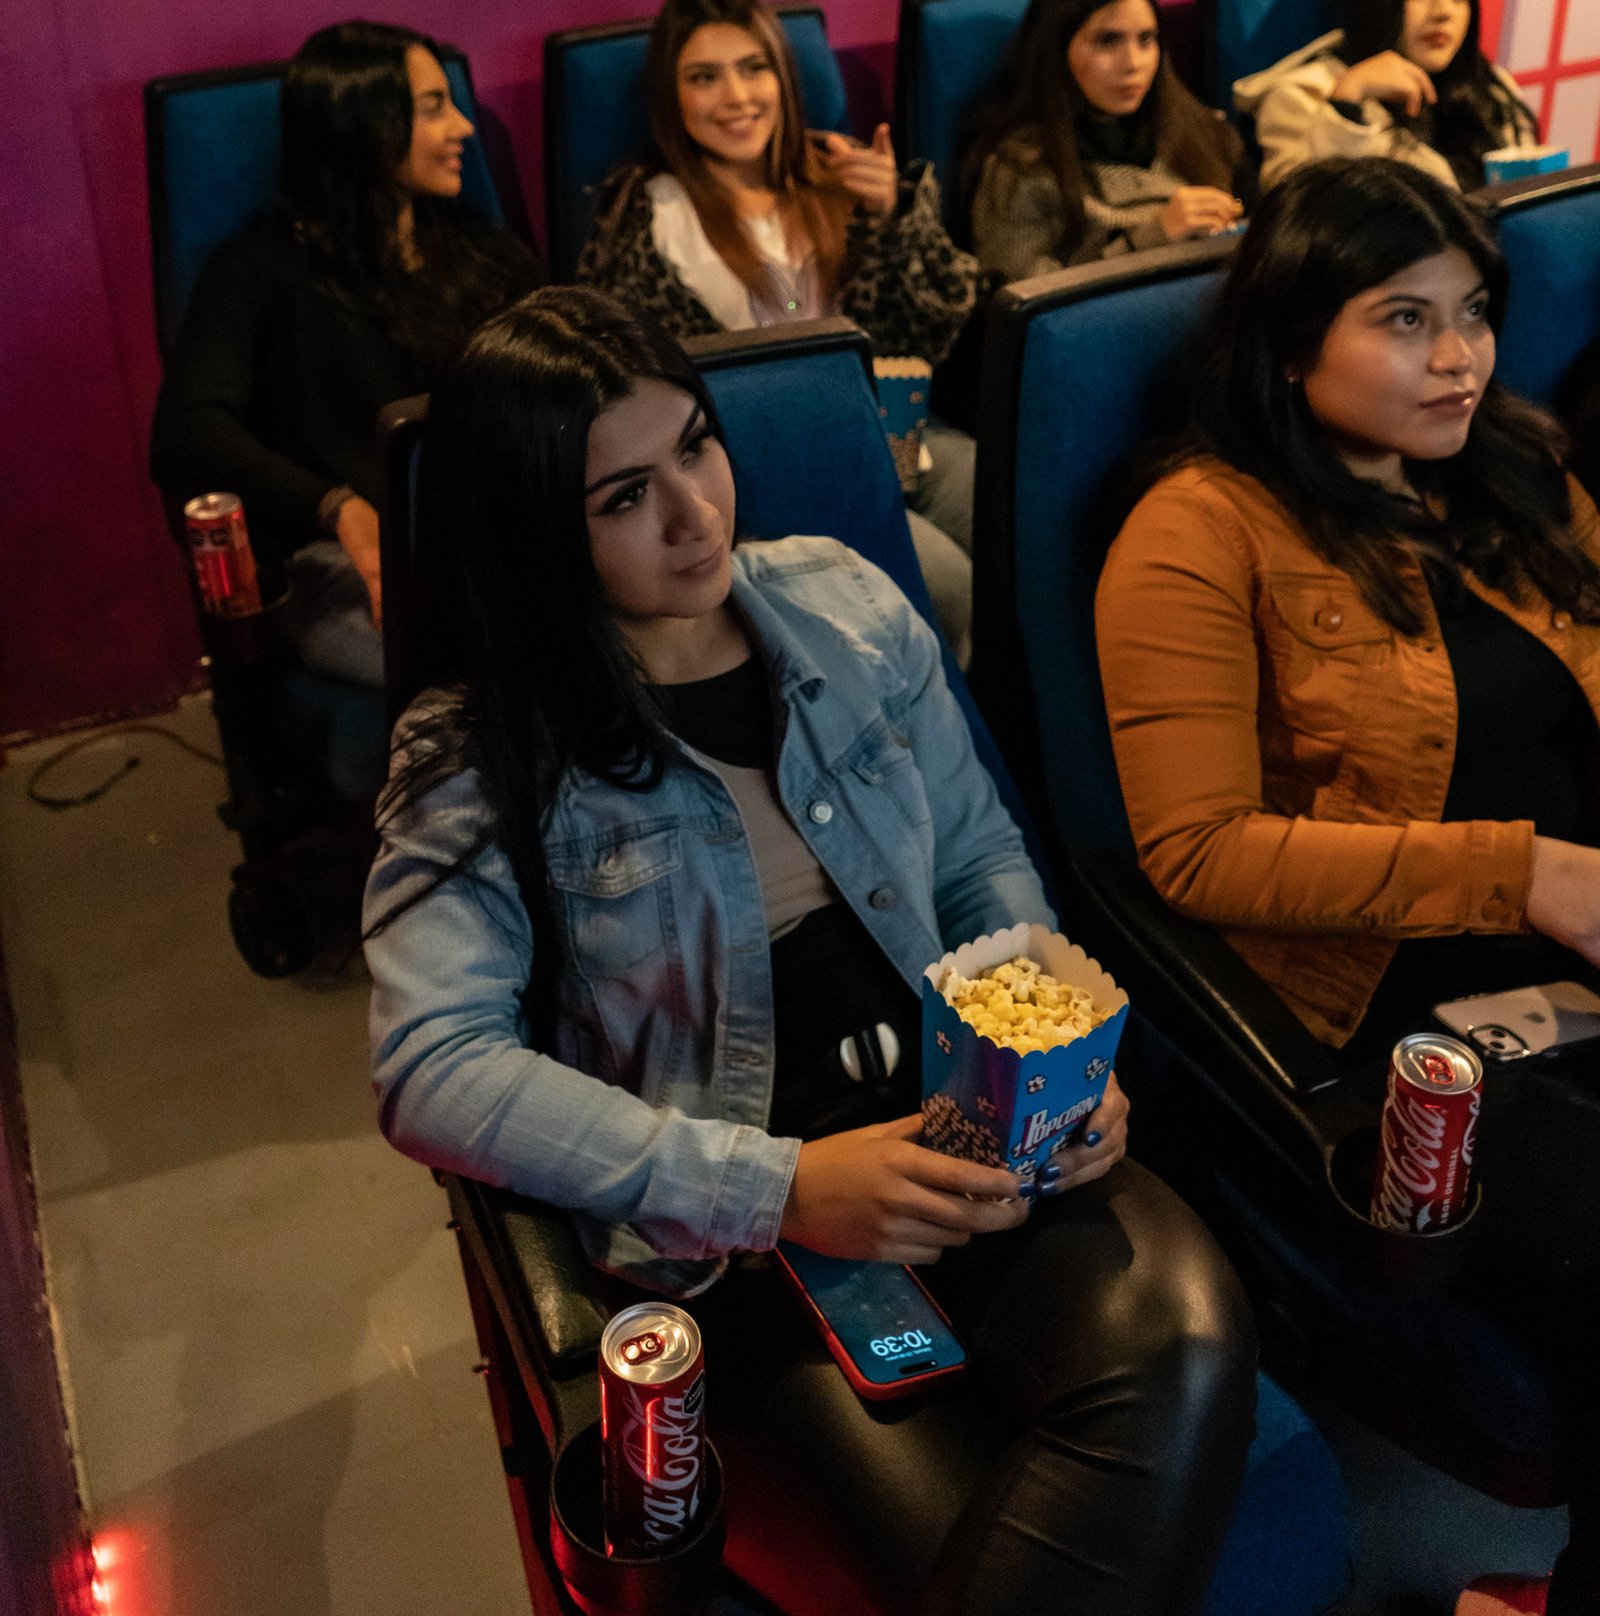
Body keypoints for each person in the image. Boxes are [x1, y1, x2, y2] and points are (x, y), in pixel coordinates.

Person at [363, 286, 1255, 1616]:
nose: (696, 514)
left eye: (697, 447)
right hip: (738, 1233)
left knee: (1190, 1340)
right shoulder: (477, 750)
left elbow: (975, 859)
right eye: (624, 498)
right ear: (538, 530)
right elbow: (430, 1066)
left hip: (969, 1126)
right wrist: (780, 1188)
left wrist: (1053, 1052)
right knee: (960, 1551)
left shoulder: (845, 601)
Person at [1095, 159, 1600, 1616]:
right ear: (1289, 336)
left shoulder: (1517, 473)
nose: (1460, 358)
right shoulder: (1199, 528)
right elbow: (1198, 851)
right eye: (1404, 319)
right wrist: (1529, 876)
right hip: (1398, 1013)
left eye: (1473, 311)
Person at [578, 0, 980, 657]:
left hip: (895, 430)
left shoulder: (837, 172)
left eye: (753, 68)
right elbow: (638, 389)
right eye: (705, 77)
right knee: (950, 585)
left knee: (1016, 511)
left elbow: (935, 329)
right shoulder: (648, 213)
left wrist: (892, 218)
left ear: (784, 78)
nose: (736, 96)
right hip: (767, 461)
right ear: (672, 97)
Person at [150, 20, 540, 691]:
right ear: (363, 125)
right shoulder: (259, 268)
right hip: (346, 562)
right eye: (432, 108)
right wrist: (338, 506)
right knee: (499, 677)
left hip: (505, 534)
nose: (463, 128)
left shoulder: (484, 252)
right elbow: (187, 434)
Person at [964, 0, 1249, 279]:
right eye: (1108, 41)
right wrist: (1152, 237)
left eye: (1146, 39)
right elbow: (1026, 302)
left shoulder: (1202, 130)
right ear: (1058, 50)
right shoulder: (1019, 169)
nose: (1133, 63)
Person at [1233, 0, 1538, 191]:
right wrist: (1346, 104)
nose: (1445, 11)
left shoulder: (1490, 86)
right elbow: (1291, 211)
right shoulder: (1300, 97)